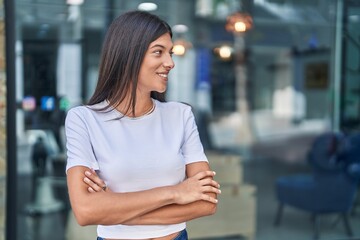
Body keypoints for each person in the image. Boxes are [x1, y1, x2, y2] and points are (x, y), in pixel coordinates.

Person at [65, 10, 221, 240]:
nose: (170, 63)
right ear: (128, 55)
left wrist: (112, 209)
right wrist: (177, 192)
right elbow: (86, 211)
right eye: (158, 52)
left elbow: (206, 203)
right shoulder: (83, 120)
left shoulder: (181, 115)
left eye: (171, 53)